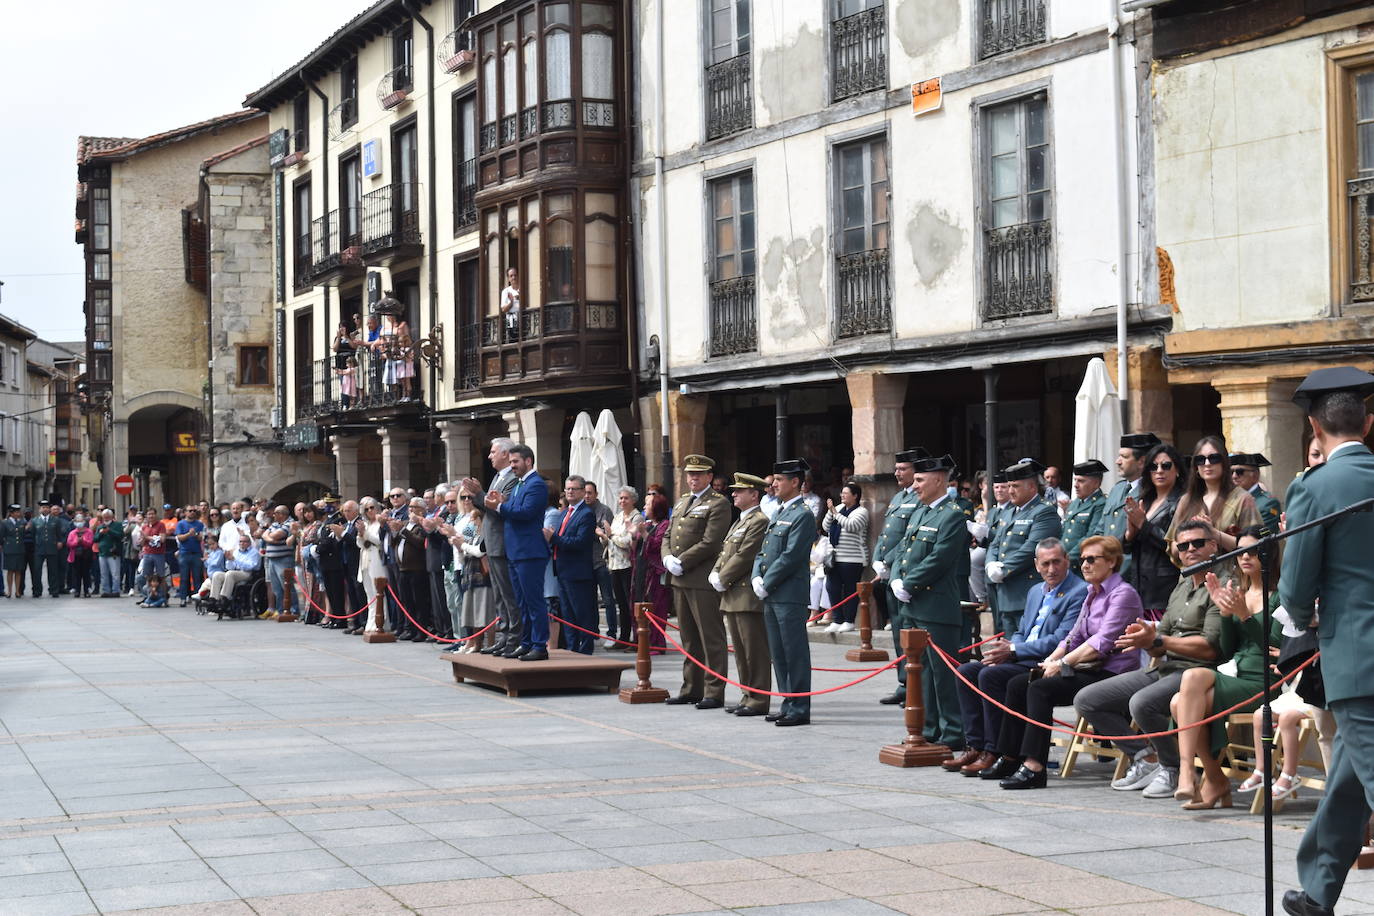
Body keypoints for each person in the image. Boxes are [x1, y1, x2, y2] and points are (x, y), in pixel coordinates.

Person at [1273, 367, 1374, 916]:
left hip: (1358, 655)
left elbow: (1296, 584)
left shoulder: (1316, 486)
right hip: (1364, 653)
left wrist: (1295, 615)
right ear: (1369, 423)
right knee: (1349, 781)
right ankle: (1318, 890)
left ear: (1315, 427)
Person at [1073, 518, 1223, 800]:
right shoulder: (1182, 583)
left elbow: (1209, 648)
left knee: (1141, 703)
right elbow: (1160, 637)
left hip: (1198, 672)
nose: (1190, 549)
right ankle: (1146, 757)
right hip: (1166, 666)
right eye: (1183, 545)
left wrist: (1157, 641)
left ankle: (1172, 767)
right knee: (1087, 699)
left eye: (1198, 543)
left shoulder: (1220, 584)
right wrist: (1145, 640)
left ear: (1213, 545)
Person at [985, 535, 1142, 789]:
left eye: (1092, 560)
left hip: (1110, 672)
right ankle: (1012, 757)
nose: (1085, 566)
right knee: (1019, 683)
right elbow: (1073, 636)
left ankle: (1035, 766)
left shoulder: (1122, 594)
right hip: (1087, 668)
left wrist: (1061, 664)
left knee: (1039, 689)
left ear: (1112, 562)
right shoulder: (1093, 592)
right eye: (1083, 560)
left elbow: (1100, 643)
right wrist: (1049, 661)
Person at [947, 538, 1086, 776]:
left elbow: (1061, 640)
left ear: (1067, 561)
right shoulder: (1035, 590)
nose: (1051, 569)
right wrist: (1011, 647)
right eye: (1045, 564)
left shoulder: (1079, 591)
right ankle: (976, 744)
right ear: (1036, 565)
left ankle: (994, 750)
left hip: (1047, 661)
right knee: (967, 671)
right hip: (1022, 655)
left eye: (1056, 562)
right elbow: (1023, 630)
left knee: (991, 675)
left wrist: (1013, 651)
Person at [1173, 526, 1285, 809]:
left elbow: (1273, 645)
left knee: (1190, 683)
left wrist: (1245, 615)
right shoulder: (1239, 590)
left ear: (1269, 553)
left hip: (1265, 680)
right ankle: (1208, 776)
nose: (1244, 557)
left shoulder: (1281, 594)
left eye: (1252, 551)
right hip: (1237, 673)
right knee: (1178, 702)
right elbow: (1227, 649)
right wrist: (1224, 614)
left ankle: (1199, 776)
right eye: (1239, 552)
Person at [889, 454, 974, 748]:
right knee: (920, 674)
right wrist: (896, 578)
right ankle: (928, 728)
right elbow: (903, 548)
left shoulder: (951, 515)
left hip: (936, 607)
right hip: (912, 605)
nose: (914, 486)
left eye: (920, 480)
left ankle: (952, 733)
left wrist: (910, 583)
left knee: (943, 676)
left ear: (939, 479)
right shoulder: (920, 513)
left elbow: (940, 558)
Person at [661, 454, 732, 708]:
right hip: (680, 577)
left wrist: (683, 561)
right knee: (689, 637)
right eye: (690, 474)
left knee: (710, 635)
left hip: (701, 577)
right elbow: (668, 533)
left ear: (709, 477)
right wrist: (668, 557)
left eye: (698, 475)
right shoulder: (682, 503)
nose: (693, 479)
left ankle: (714, 691)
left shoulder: (718, 503)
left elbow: (711, 541)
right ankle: (692, 687)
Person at [751, 458, 816, 726]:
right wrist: (756, 574)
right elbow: (764, 550)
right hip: (772, 593)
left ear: (795, 483)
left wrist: (767, 582)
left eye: (779, 480)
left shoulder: (803, 514)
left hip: (789, 593)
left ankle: (799, 707)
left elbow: (791, 556)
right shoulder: (779, 512)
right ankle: (787, 701)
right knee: (778, 652)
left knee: (794, 652)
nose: (774, 484)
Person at [709, 473, 772, 717]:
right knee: (742, 651)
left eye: (739, 491)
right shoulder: (740, 521)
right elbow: (726, 552)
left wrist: (723, 577)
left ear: (754, 495)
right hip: (732, 594)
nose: (733, 494)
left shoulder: (759, 520)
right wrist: (716, 572)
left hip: (745, 594)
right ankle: (747, 695)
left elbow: (745, 555)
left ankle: (758, 698)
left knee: (754, 650)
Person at [873, 448, 930, 705]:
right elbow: (886, 534)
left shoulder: (920, 498)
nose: (897, 472)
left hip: (904, 573)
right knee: (897, 630)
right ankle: (902, 680)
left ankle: (914, 683)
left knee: (909, 630)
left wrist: (888, 561)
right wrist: (877, 559)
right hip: (888, 573)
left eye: (903, 469)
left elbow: (910, 538)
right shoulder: (897, 498)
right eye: (896, 469)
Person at [485, 443, 551, 660]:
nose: (512, 466)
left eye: (515, 462)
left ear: (528, 461)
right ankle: (526, 641)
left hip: (529, 551)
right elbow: (513, 508)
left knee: (534, 601)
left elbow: (526, 512)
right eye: (511, 462)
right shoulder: (521, 484)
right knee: (521, 602)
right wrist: (503, 501)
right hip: (515, 551)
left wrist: (500, 507)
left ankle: (539, 645)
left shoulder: (536, 484)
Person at [985, 459, 1063, 636]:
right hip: (1005, 593)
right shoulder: (1009, 512)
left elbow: (1033, 548)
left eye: (1016, 486)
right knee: (1009, 648)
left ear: (1032, 488)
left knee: (1028, 648)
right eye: (1009, 485)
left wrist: (1005, 568)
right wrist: (991, 564)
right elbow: (995, 543)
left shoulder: (1044, 512)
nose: (1010, 491)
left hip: (1027, 592)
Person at [463, 438, 521, 656]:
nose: (489, 456)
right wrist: (480, 495)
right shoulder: (498, 477)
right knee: (500, 595)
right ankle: (504, 636)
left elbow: (498, 508)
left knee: (508, 594)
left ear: (505, 454)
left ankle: (513, 638)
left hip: (503, 543)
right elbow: (487, 507)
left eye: (493, 451)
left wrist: (479, 493)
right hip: (492, 543)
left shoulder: (512, 479)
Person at [1124, 442, 1186, 621]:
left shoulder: (1181, 502)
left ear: (1177, 470)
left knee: (1156, 642)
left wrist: (1143, 524)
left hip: (1163, 588)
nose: (1159, 471)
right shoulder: (1145, 500)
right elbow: (1128, 547)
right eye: (1153, 466)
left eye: (1166, 466)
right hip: (1138, 585)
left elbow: (1174, 544)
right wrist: (1130, 532)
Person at [1170, 435, 1259, 552]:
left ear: (1224, 462)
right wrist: (1192, 538)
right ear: (1196, 467)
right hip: (1193, 569)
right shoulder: (1186, 500)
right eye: (1200, 459)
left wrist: (1213, 533)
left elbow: (1253, 545)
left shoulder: (1242, 498)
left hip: (1229, 569)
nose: (1207, 463)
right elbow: (1172, 547)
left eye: (1214, 458)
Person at [1092, 432, 1161, 582]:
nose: (1117, 461)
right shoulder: (1117, 489)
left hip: (1128, 573)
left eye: (1124, 457)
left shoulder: (1150, 492)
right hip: (1105, 570)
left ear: (1141, 461)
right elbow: (1100, 529)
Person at [546, 476, 598, 654]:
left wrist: (553, 538)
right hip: (561, 571)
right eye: (567, 489)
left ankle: (585, 652)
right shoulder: (564, 513)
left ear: (583, 492)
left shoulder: (586, 514)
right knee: (567, 617)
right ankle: (572, 650)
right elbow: (558, 538)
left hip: (577, 573)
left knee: (581, 615)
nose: (570, 492)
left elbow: (579, 542)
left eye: (574, 489)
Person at [821, 482, 868, 634]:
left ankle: (849, 621)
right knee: (832, 588)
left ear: (855, 496)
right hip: (834, 558)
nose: (842, 495)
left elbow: (851, 526)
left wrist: (835, 513)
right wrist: (831, 512)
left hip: (852, 559)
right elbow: (826, 527)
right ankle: (837, 619)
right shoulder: (839, 509)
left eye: (846, 493)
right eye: (841, 493)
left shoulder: (862, 512)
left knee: (850, 591)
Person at [632, 491, 670, 654]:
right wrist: (634, 535)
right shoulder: (647, 524)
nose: (644, 507)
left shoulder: (664, 525)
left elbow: (657, 545)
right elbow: (636, 548)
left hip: (655, 573)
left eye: (647, 504)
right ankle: (641, 640)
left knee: (656, 607)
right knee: (639, 604)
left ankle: (657, 643)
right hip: (641, 570)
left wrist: (645, 534)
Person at [606, 486, 644, 648]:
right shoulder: (618, 516)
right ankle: (623, 637)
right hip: (614, 564)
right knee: (620, 603)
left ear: (633, 500)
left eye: (625, 498)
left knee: (630, 602)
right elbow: (611, 540)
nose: (622, 501)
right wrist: (604, 537)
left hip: (628, 564)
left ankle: (635, 637)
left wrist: (611, 535)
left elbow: (627, 541)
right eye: (620, 498)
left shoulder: (637, 518)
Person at [582, 482, 617, 647]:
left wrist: (591, 531)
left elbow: (605, 534)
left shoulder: (604, 510)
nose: (587, 496)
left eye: (590, 493)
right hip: (585, 561)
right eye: (585, 493)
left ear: (596, 494)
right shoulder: (581, 510)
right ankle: (593, 631)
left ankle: (611, 633)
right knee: (589, 599)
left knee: (608, 599)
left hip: (602, 561)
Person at [1060, 460, 1107, 569]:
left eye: (1081, 481)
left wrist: (1068, 559)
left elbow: (1091, 536)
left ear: (1096, 483)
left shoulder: (1100, 504)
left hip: (1082, 565)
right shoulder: (1075, 503)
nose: (1075, 485)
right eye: (1075, 480)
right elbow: (1065, 533)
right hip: (1065, 563)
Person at [356, 498, 389, 636]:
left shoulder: (380, 523)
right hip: (365, 561)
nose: (369, 511)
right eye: (366, 509)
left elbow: (379, 541)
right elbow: (360, 544)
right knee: (369, 595)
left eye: (371, 508)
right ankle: (370, 622)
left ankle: (381, 622)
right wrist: (361, 534)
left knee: (379, 593)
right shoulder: (366, 523)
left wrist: (365, 534)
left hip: (376, 559)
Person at [1230, 452, 1282, 533]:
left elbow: (1262, 535)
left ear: (1255, 475)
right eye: (1231, 472)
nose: (1234, 476)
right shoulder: (1228, 499)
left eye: (1240, 472)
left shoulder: (1268, 503)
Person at [205, 532, 261, 607]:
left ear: (249, 543)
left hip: (247, 573)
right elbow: (229, 567)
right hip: (234, 572)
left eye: (244, 541)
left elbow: (250, 566)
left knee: (230, 574)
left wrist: (235, 560)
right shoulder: (237, 552)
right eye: (240, 541)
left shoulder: (254, 552)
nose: (242, 543)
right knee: (217, 574)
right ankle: (214, 599)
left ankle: (224, 598)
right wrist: (230, 560)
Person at [30, 500, 66, 599]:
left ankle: (54, 590)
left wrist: (60, 541)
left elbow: (59, 534)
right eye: (43, 507)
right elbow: (32, 535)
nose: (45, 509)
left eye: (46, 507)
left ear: (49, 509)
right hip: (39, 549)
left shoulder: (55, 520)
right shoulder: (35, 520)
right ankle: (37, 591)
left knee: (53, 570)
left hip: (52, 548)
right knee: (37, 571)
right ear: (39, 509)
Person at [173, 507, 205, 607]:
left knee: (197, 578)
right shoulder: (181, 524)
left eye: (194, 511)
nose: (192, 512)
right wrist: (189, 534)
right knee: (184, 578)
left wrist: (194, 534)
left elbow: (201, 538)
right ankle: (183, 598)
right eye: (190, 511)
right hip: (184, 553)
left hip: (196, 553)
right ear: (185, 512)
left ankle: (197, 598)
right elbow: (180, 537)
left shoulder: (199, 524)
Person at [134, 508, 167, 604]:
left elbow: (162, 539)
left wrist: (147, 537)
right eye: (149, 514)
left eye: (152, 514)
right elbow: (142, 542)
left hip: (159, 554)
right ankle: (148, 596)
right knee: (146, 576)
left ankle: (163, 597)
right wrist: (142, 540)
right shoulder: (144, 527)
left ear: (156, 515)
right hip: (147, 553)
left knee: (161, 576)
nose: (151, 516)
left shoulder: (161, 525)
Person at [65, 515, 94, 598]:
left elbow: (90, 542)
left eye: (81, 521)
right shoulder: (72, 533)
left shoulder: (89, 532)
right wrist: (77, 541)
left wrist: (83, 541)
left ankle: (87, 590)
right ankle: (77, 590)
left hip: (86, 555)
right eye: (77, 521)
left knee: (86, 574)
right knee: (76, 574)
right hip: (75, 555)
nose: (79, 523)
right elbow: (69, 543)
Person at [0, 504, 24, 599]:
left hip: (19, 549)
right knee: (10, 571)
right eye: (16, 512)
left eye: (18, 512)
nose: (18, 514)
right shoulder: (5, 523)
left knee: (18, 571)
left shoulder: (22, 522)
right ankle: (9, 590)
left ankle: (17, 591)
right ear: (11, 513)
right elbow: (1, 535)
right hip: (9, 549)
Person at [500, 267, 521, 343]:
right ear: (508, 278)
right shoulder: (506, 291)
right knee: (514, 342)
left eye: (515, 275)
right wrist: (511, 302)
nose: (514, 277)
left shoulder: (523, 289)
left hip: (524, 321)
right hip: (512, 322)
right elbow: (503, 309)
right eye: (511, 276)